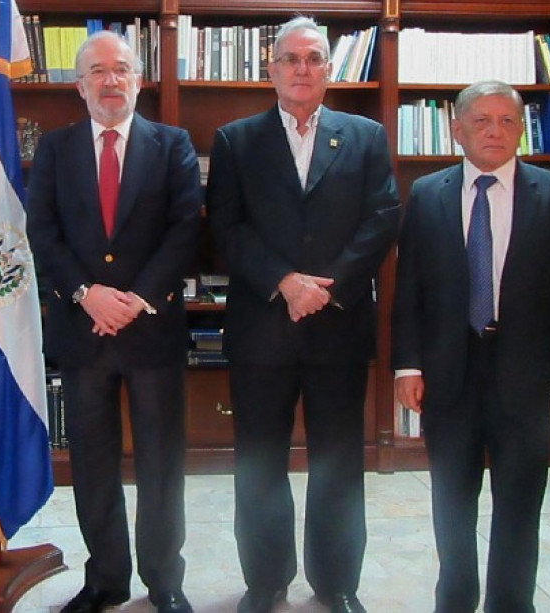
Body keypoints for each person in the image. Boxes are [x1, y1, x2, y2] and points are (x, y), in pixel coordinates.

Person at [206, 16, 400, 613]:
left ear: (328, 70)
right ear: (271, 70)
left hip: (338, 325)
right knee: (259, 462)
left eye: (314, 58)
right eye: (290, 58)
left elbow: (382, 218)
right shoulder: (236, 140)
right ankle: (265, 581)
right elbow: (225, 227)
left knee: (339, 461)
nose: (302, 68)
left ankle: (337, 583)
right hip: (262, 329)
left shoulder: (365, 136)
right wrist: (285, 282)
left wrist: (327, 287)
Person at [391, 80, 550, 613]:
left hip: (528, 377)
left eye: (507, 121)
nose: (494, 132)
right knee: (451, 505)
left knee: (520, 507)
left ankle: (511, 604)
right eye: (481, 120)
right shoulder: (428, 193)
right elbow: (409, 287)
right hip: (448, 374)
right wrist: (407, 365)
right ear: (457, 129)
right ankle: (455, 600)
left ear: (521, 131)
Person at [25, 31, 202, 613]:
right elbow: (42, 230)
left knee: (161, 463)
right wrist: (87, 294)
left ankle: (164, 579)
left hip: (151, 329)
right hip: (83, 332)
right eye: (97, 71)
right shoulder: (55, 149)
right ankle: (105, 579)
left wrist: (135, 298)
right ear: (80, 86)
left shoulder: (172, 144)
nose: (110, 80)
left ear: (138, 80)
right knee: (93, 463)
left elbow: (185, 228)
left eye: (121, 69)